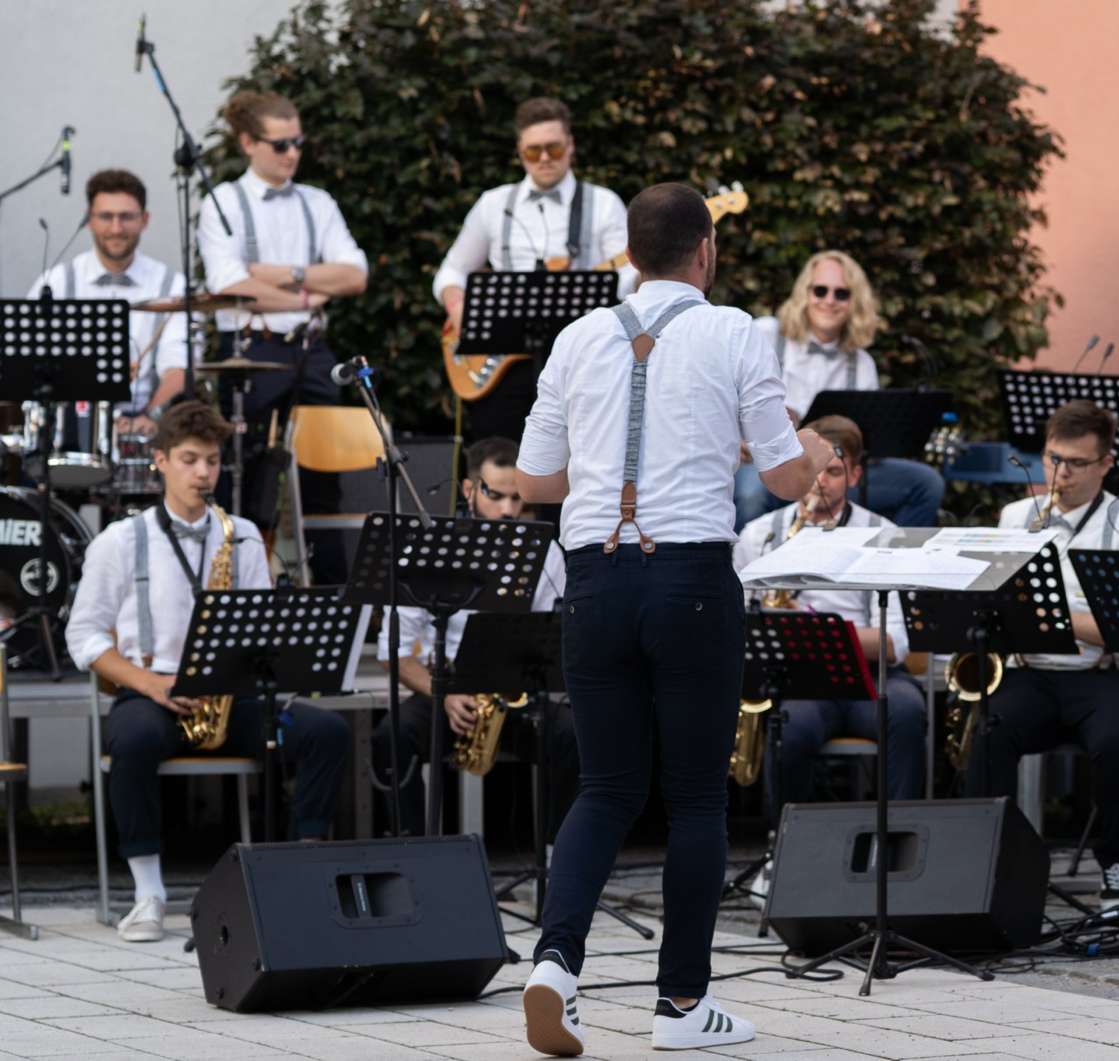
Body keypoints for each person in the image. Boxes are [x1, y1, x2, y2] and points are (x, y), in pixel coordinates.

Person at [516, 181, 834, 1054]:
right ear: (707, 252)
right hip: (690, 576)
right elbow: (781, 477)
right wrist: (812, 453)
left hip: (593, 577)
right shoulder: (737, 329)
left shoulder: (578, 335)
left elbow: (538, 478)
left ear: (628, 255)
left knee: (607, 787)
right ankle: (683, 1006)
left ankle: (554, 962)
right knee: (696, 795)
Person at [65, 402, 350, 943]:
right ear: (160, 462)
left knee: (326, 733)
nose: (202, 474)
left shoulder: (240, 535)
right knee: (132, 739)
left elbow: (260, 626)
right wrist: (149, 683)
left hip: (229, 696)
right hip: (154, 691)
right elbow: (84, 636)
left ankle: (298, 877)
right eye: (190, 460)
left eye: (212, 462)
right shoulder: (119, 542)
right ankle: (148, 893)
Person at [963, 400, 1119, 906]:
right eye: (1053, 459)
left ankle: (1115, 863)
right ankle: (993, 859)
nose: (1060, 473)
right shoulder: (1015, 517)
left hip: (1107, 674)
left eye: (1076, 463)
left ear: (1105, 464)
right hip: (1033, 669)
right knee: (986, 733)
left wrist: (1052, 617)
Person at [730, 415, 927, 904]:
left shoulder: (882, 534)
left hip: (869, 676)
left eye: (833, 472)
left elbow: (898, 642)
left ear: (855, 475)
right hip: (799, 682)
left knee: (907, 711)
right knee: (789, 730)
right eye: (810, 469)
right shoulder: (759, 534)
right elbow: (735, 623)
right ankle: (788, 851)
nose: (819, 483)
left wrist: (821, 632)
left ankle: (897, 850)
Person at [197, 89, 368, 585]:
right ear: (249, 142)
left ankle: (334, 595)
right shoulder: (223, 202)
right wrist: (308, 291)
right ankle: (245, 588)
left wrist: (278, 273)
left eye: (298, 142)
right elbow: (229, 286)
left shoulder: (318, 202)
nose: (293, 153)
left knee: (324, 475)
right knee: (248, 476)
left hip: (312, 351)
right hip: (252, 348)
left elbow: (355, 275)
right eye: (280, 144)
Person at [371, 436, 572, 835]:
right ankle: (411, 852)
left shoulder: (546, 553)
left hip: (514, 694)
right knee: (390, 736)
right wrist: (443, 693)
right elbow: (391, 652)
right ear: (469, 489)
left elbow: (556, 633)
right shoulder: (429, 549)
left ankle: (556, 856)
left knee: (574, 736)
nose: (508, 511)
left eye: (518, 500)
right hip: (444, 689)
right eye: (496, 495)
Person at [433, 97, 633, 445]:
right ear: (519, 151)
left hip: (580, 366)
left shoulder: (603, 204)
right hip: (503, 367)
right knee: (499, 459)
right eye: (533, 151)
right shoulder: (494, 204)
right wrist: (457, 307)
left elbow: (628, 278)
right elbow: (452, 270)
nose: (543, 159)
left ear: (570, 146)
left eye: (553, 149)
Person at [735, 251, 945, 528]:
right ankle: (745, 566)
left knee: (925, 483)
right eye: (820, 290)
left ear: (854, 302)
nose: (829, 301)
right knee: (752, 494)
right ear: (804, 294)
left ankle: (894, 562)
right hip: (767, 463)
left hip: (833, 468)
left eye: (841, 294)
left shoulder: (861, 364)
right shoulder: (766, 333)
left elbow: (863, 441)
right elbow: (723, 394)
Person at [22, 169, 192, 431]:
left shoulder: (172, 286)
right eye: (105, 217)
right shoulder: (55, 282)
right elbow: (27, 360)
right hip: (66, 425)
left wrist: (150, 415)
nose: (116, 228)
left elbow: (178, 367)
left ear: (144, 220)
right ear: (89, 220)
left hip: (140, 424)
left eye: (126, 217)